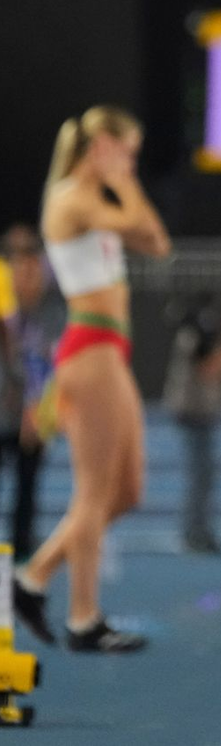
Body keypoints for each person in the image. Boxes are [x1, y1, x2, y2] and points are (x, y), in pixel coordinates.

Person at [12, 106, 171, 653]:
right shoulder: (70, 198)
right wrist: (124, 182)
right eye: (124, 150)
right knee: (94, 492)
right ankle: (84, 618)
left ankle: (31, 580)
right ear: (99, 145)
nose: (129, 163)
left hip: (110, 350)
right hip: (90, 348)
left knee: (127, 491)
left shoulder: (100, 197)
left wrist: (123, 183)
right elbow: (137, 225)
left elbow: (156, 241)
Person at [162, 294, 221, 554]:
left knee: (204, 476)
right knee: (202, 476)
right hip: (193, 413)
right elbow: (207, 368)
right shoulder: (199, 338)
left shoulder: (200, 337)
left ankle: (198, 529)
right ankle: (195, 532)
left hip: (199, 413)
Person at [0, 225, 67, 561]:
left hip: (35, 413)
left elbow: (51, 363)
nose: (26, 278)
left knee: (28, 485)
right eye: (18, 269)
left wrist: (38, 408)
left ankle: (22, 548)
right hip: (3, 411)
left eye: (32, 270)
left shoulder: (53, 314)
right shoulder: (4, 309)